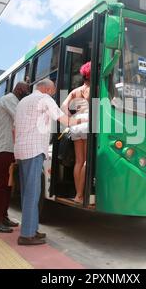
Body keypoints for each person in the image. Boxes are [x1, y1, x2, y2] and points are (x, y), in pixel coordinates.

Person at [14, 79, 85, 245]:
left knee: (27, 192)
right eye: (53, 90)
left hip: (21, 150)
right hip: (34, 149)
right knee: (33, 192)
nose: (53, 93)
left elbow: (15, 126)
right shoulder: (44, 99)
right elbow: (65, 120)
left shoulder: (23, 101)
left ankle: (31, 228)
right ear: (46, 89)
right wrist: (85, 120)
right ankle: (26, 235)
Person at [0, 82, 30, 233]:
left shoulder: (15, 101)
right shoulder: (9, 99)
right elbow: (21, 118)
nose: (27, 93)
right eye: (26, 90)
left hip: (9, 149)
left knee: (7, 186)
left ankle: (3, 217)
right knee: (1, 186)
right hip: (2, 149)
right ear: (19, 89)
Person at [61, 61, 91, 204]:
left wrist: (70, 118)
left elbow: (63, 105)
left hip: (76, 123)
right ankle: (81, 195)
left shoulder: (75, 91)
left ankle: (77, 195)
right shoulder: (95, 88)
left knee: (78, 161)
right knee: (87, 161)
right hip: (88, 122)